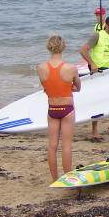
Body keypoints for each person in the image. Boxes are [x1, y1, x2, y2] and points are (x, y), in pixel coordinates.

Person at [37, 35, 81, 181]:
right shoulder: (71, 68)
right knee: (66, 146)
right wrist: (70, 87)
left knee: (52, 146)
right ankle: (68, 178)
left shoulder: (41, 68)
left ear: (48, 47)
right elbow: (78, 87)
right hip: (67, 109)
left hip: (52, 109)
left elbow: (46, 87)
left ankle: (55, 179)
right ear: (63, 47)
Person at [80, 16, 109, 139]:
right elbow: (83, 50)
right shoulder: (98, 35)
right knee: (98, 101)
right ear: (106, 25)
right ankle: (94, 131)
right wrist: (92, 63)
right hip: (98, 72)